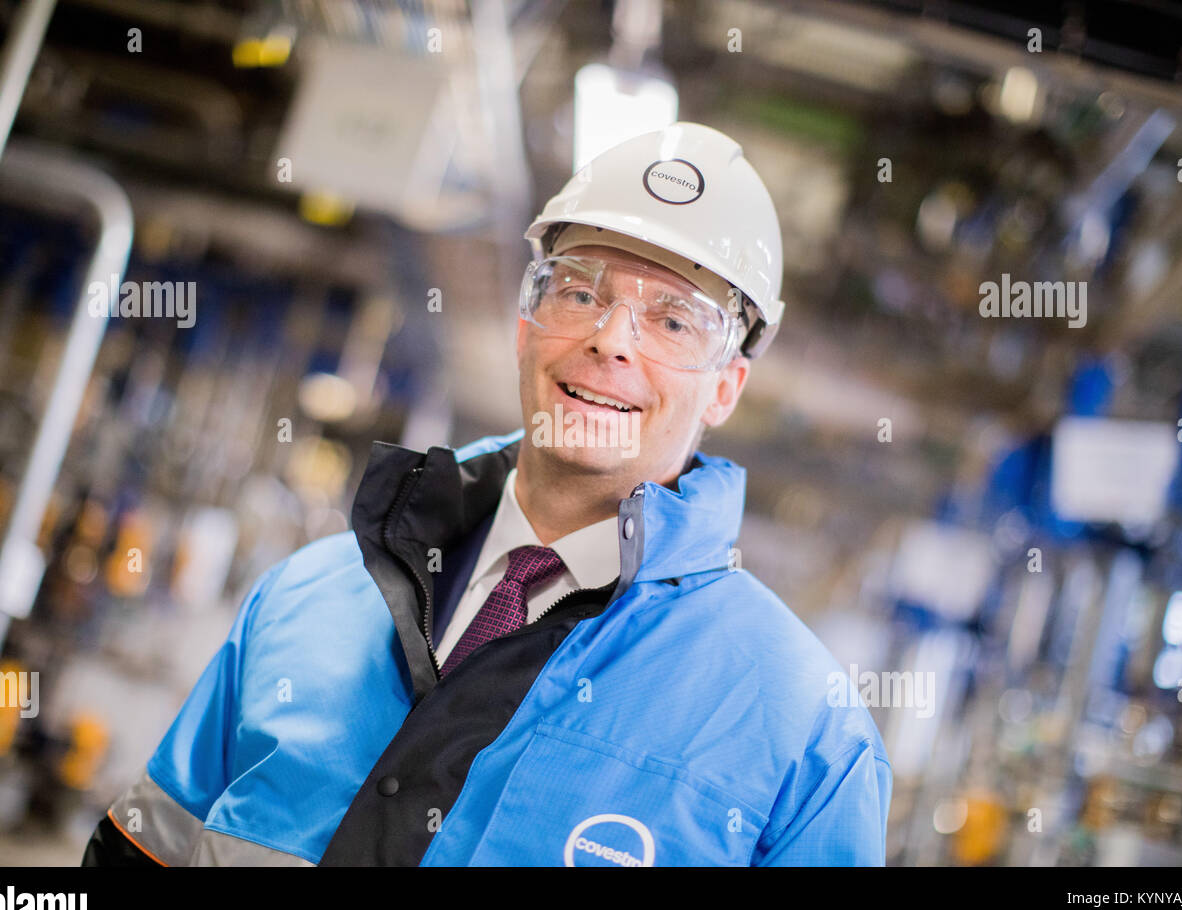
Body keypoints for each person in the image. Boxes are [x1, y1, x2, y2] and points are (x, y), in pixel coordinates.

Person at [82, 121, 891, 867]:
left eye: (675, 322)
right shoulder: (307, 596)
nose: (611, 339)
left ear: (726, 388)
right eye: (579, 291)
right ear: (525, 323)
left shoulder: (805, 737)